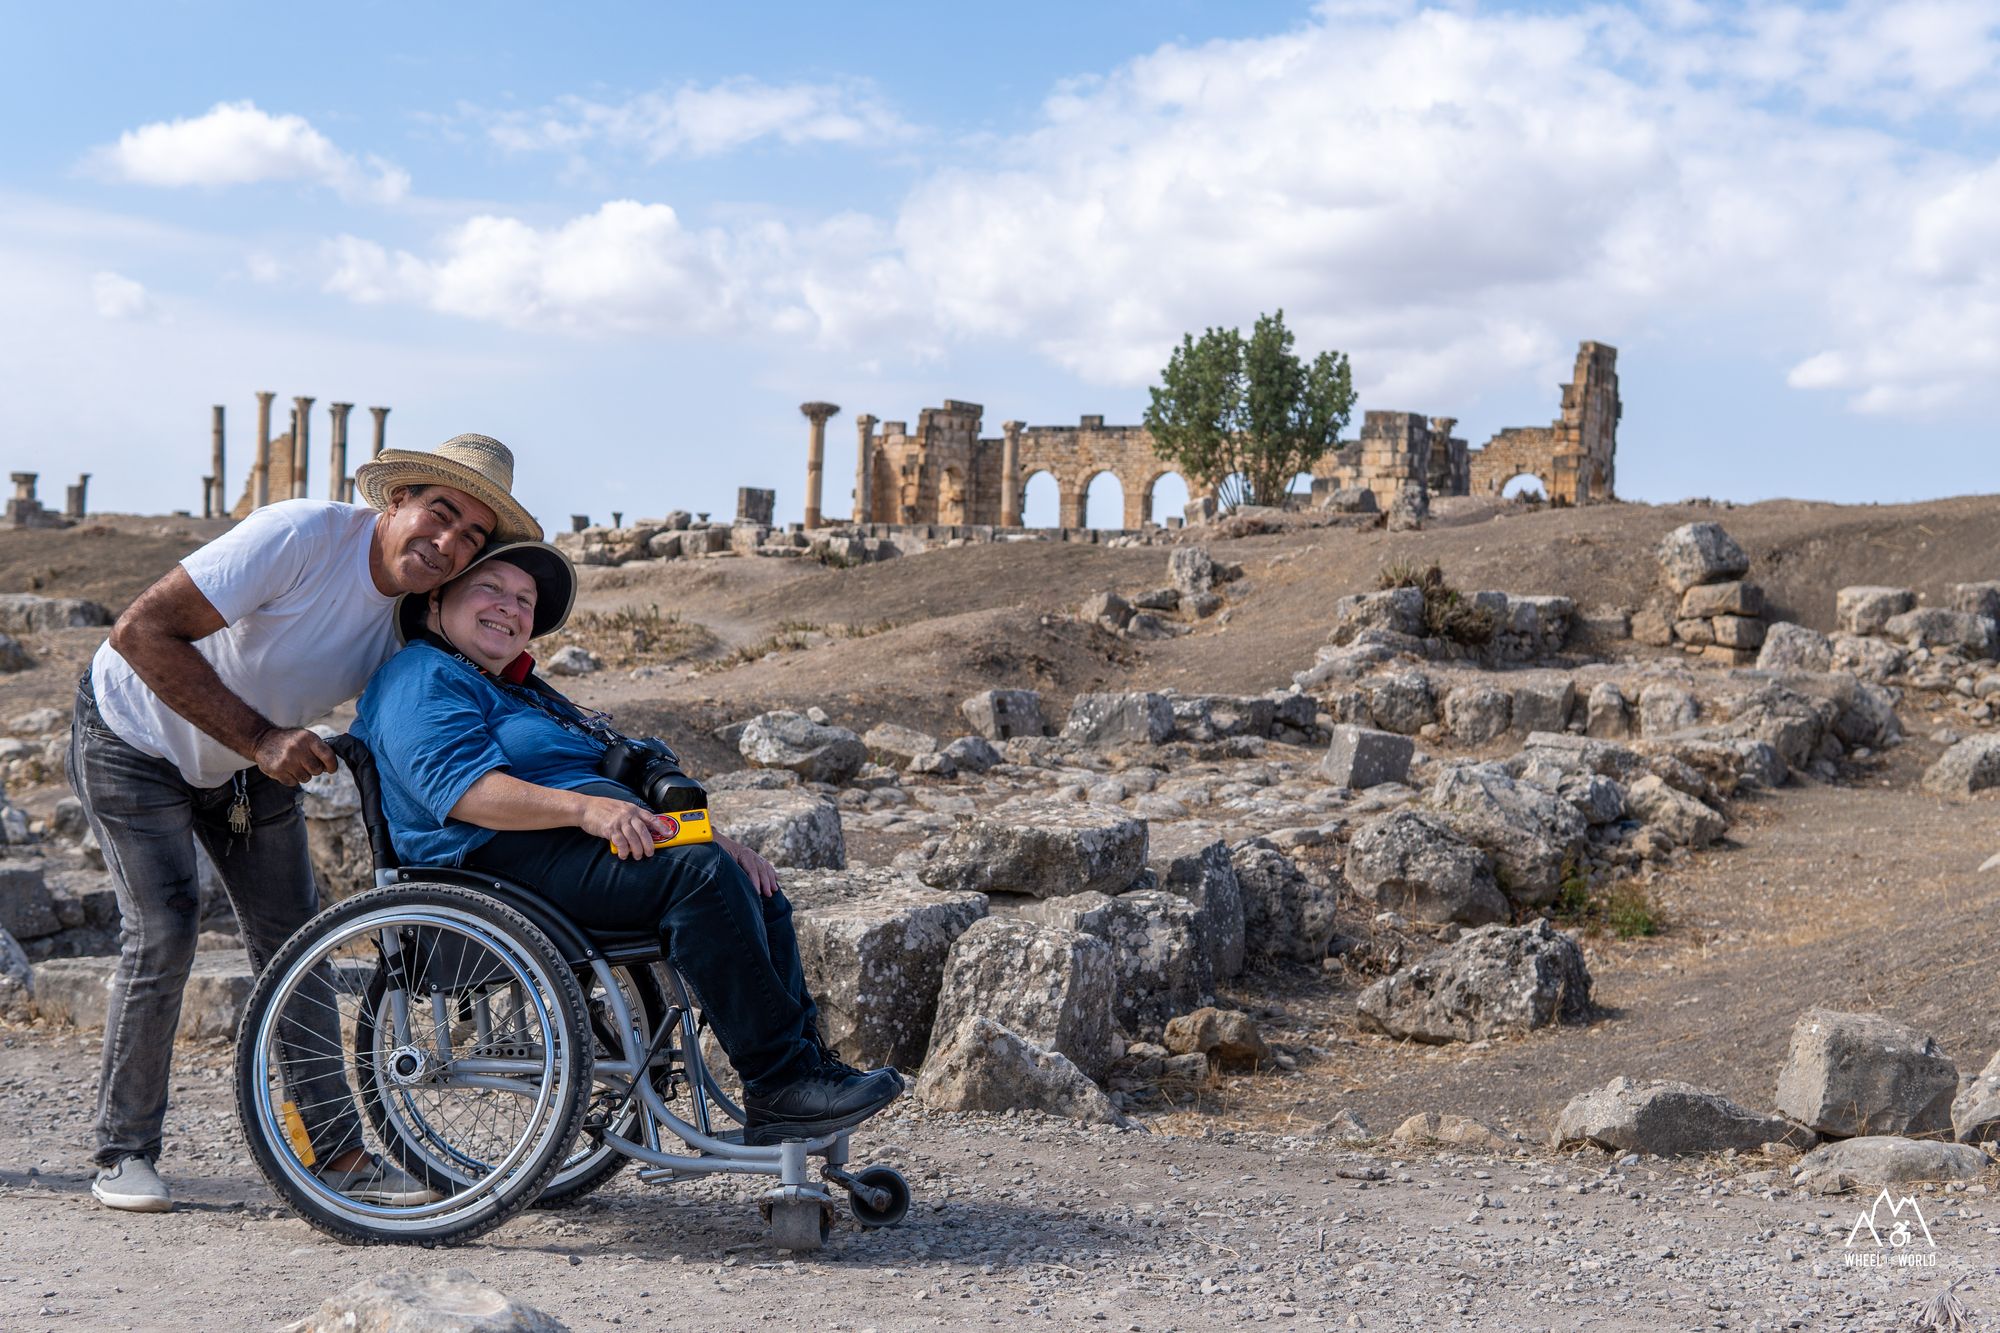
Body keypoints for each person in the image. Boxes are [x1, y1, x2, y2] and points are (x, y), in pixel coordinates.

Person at [71, 434, 543, 1213]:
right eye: (441, 512)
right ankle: (123, 1151)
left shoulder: (415, 614)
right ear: (396, 501)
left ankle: (337, 1154)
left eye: (472, 537)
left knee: (299, 941)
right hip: (135, 734)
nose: (449, 542)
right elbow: (139, 631)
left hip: (252, 764)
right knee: (165, 926)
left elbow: (474, 679)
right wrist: (261, 739)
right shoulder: (299, 536)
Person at [353, 541, 903, 1145]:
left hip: (561, 849)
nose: (509, 608)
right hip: (490, 858)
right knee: (696, 878)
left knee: (745, 878)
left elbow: (617, 784)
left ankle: (805, 1070)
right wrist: (585, 809)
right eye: (491, 589)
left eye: (525, 600)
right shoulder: (420, 676)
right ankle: (779, 1083)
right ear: (437, 599)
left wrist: (719, 840)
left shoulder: (522, 689)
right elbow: (463, 792)